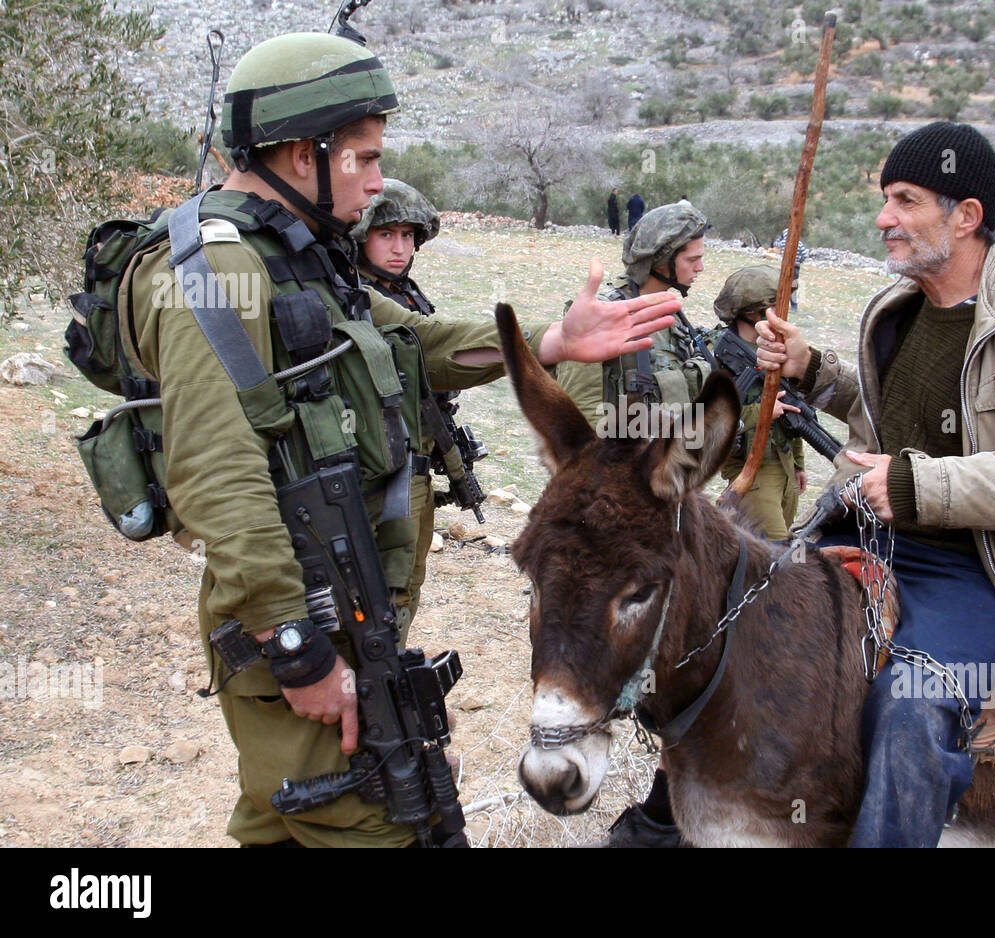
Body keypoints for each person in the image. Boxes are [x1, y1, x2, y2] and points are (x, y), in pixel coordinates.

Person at [121, 33, 681, 847]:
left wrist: (549, 343)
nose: (379, 182)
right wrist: (295, 645)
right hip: (299, 627)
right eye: (361, 158)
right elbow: (217, 471)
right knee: (382, 824)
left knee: (281, 819)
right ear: (295, 150)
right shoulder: (220, 268)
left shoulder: (301, 258)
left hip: (346, 610)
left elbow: (412, 343)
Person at [756, 121, 995, 848]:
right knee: (726, 620)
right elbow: (898, 421)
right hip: (872, 531)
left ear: (966, 216)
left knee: (909, 708)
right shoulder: (904, 309)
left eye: (905, 200)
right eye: (886, 199)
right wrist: (814, 371)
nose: (884, 218)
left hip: (979, 568)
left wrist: (921, 488)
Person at [351, 177, 472, 622]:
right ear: (362, 238)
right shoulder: (355, 297)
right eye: (386, 235)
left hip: (418, 463)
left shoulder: (405, 293)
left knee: (407, 585)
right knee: (384, 593)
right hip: (382, 471)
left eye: (407, 236)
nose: (399, 247)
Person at [555, 200, 713, 429]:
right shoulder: (602, 314)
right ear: (660, 261)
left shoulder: (672, 315)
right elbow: (576, 414)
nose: (700, 268)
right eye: (692, 259)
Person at [708, 266, 807, 539]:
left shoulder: (778, 351)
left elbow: (791, 404)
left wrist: (796, 464)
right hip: (749, 472)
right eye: (778, 306)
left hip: (782, 468)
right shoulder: (716, 357)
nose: (784, 314)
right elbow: (708, 422)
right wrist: (761, 412)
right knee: (776, 559)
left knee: (779, 553)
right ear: (754, 312)